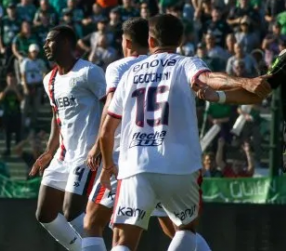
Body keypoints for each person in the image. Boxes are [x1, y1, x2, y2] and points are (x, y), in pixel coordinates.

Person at [98, 14, 270, 251]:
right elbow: (209, 80)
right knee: (185, 229)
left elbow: (107, 130)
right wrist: (245, 81)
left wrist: (108, 166)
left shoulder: (129, 74)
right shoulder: (185, 63)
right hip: (179, 165)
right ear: (180, 40)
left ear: (150, 41)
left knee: (123, 242)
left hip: (135, 166)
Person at [80, 18, 213, 251]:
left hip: (127, 157)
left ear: (128, 42)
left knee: (97, 223)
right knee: (181, 229)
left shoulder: (122, 67)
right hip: (167, 156)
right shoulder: (172, 63)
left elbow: (110, 108)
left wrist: (98, 149)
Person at [30, 25, 106, 251]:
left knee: (72, 211)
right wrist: (49, 151)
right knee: (44, 214)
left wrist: (100, 146)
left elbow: (111, 109)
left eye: (50, 41)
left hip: (86, 155)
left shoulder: (89, 72)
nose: (45, 46)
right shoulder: (49, 79)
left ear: (65, 43)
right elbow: (57, 117)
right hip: (62, 157)